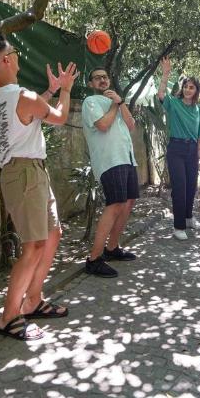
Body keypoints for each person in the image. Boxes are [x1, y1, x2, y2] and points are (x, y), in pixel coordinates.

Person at [0, 34, 78, 341]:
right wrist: (65, 90)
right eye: (15, 52)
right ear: (6, 59)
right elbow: (59, 118)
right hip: (25, 174)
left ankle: (33, 299)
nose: (18, 56)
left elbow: (26, 115)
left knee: (52, 233)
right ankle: (9, 317)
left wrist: (48, 90)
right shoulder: (22, 95)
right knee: (34, 245)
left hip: (26, 171)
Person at [80, 68, 139, 278]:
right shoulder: (91, 102)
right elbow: (103, 125)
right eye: (97, 77)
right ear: (90, 83)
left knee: (128, 201)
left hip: (127, 158)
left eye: (105, 77)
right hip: (109, 160)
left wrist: (121, 103)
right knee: (114, 205)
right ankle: (94, 259)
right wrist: (115, 105)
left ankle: (112, 249)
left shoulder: (117, 102)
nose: (103, 80)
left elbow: (131, 125)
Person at [156, 56, 200, 240]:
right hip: (176, 148)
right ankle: (178, 227)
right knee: (180, 187)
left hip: (192, 149)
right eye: (186, 86)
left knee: (192, 186)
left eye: (191, 87)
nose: (187, 89)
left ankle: (188, 217)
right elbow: (161, 95)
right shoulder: (174, 104)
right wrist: (165, 74)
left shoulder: (199, 109)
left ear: (196, 91)